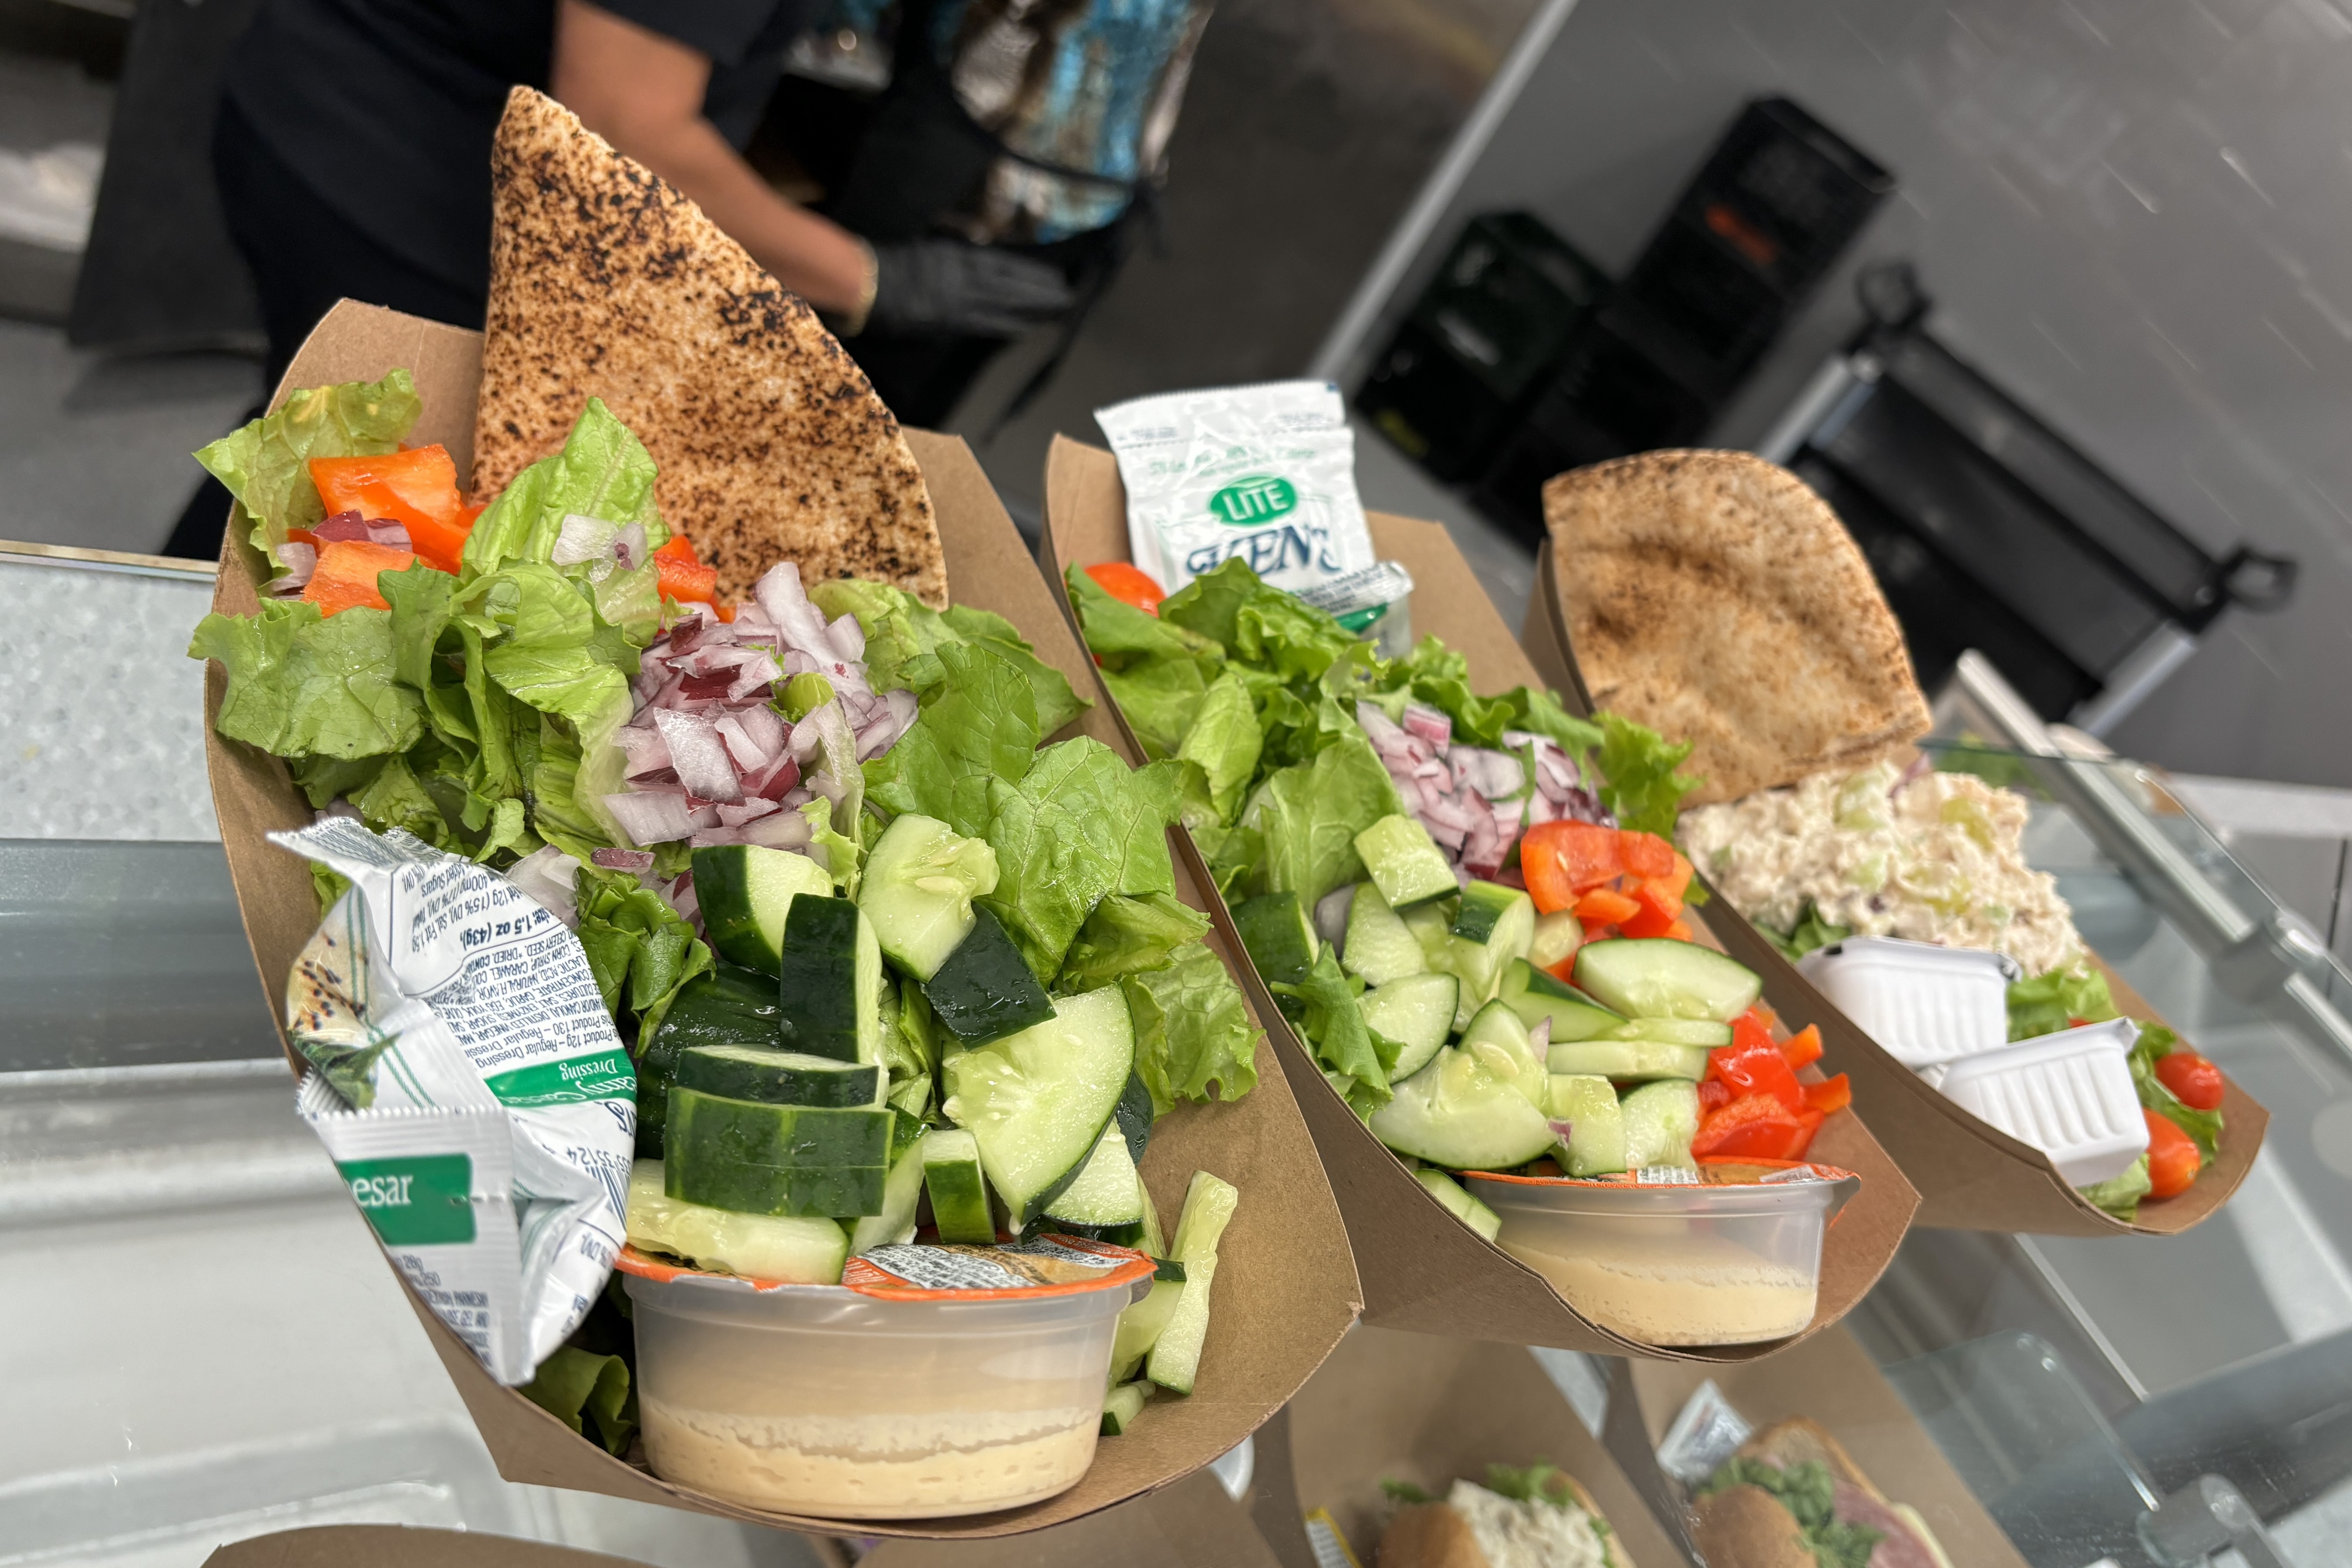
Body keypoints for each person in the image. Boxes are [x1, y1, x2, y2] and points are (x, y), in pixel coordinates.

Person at [162, 0, 1082, 557]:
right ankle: (160, 705)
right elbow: (621, 116)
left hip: (373, 106)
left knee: (317, 446)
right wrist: (872, 278)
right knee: (345, 475)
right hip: (393, 165)